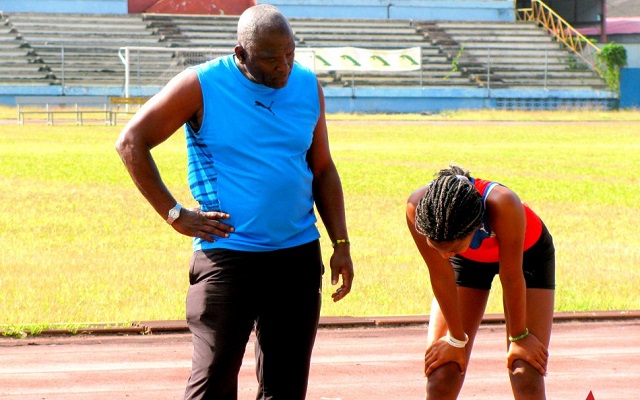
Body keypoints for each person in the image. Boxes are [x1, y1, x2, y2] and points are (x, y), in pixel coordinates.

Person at [114, 4, 354, 400]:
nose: (283, 66)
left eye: (290, 53)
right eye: (271, 58)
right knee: (212, 383)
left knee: (286, 388)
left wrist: (340, 244)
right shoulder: (202, 84)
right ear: (241, 53)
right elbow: (130, 142)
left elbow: (323, 169)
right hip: (228, 255)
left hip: (296, 257)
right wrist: (174, 214)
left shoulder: (308, 85)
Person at [405, 164, 555, 400]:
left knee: (524, 369)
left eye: (452, 248)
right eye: (439, 248)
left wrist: (519, 338)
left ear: (475, 228)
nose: (445, 256)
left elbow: (512, 276)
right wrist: (455, 338)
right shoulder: (418, 209)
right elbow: (441, 274)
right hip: (469, 261)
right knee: (442, 373)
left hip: (528, 257)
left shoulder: (504, 203)